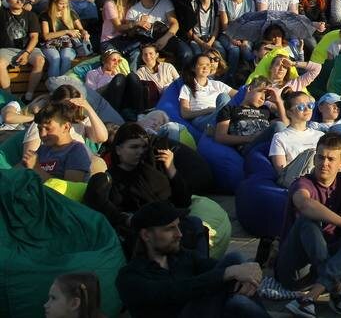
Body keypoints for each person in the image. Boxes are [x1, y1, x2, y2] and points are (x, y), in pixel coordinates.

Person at [116, 201, 269, 318]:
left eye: (178, 226)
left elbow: (214, 267)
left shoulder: (180, 256)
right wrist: (229, 273)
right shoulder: (130, 277)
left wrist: (246, 271)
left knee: (236, 265)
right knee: (236, 294)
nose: (179, 234)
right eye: (170, 228)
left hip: (207, 311)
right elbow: (174, 291)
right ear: (146, 235)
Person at [275, 132, 341, 317]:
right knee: (307, 220)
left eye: (331, 159)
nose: (324, 163)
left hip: (325, 264)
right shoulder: (303, 183)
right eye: (320, 157)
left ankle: (310, 297)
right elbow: (304, 204)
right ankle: (338, 290)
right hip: (298, 270)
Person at [83, 122, 207, 256]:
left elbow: (183, 201)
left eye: (143, 147)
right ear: (118, 149)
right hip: (140, 232)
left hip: (166, 222)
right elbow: (98, 203)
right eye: (134, 147)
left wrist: (171, 169)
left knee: (195, 224)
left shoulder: (151, 170)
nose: (140, 152)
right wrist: (125, 219)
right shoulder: (108, 178)